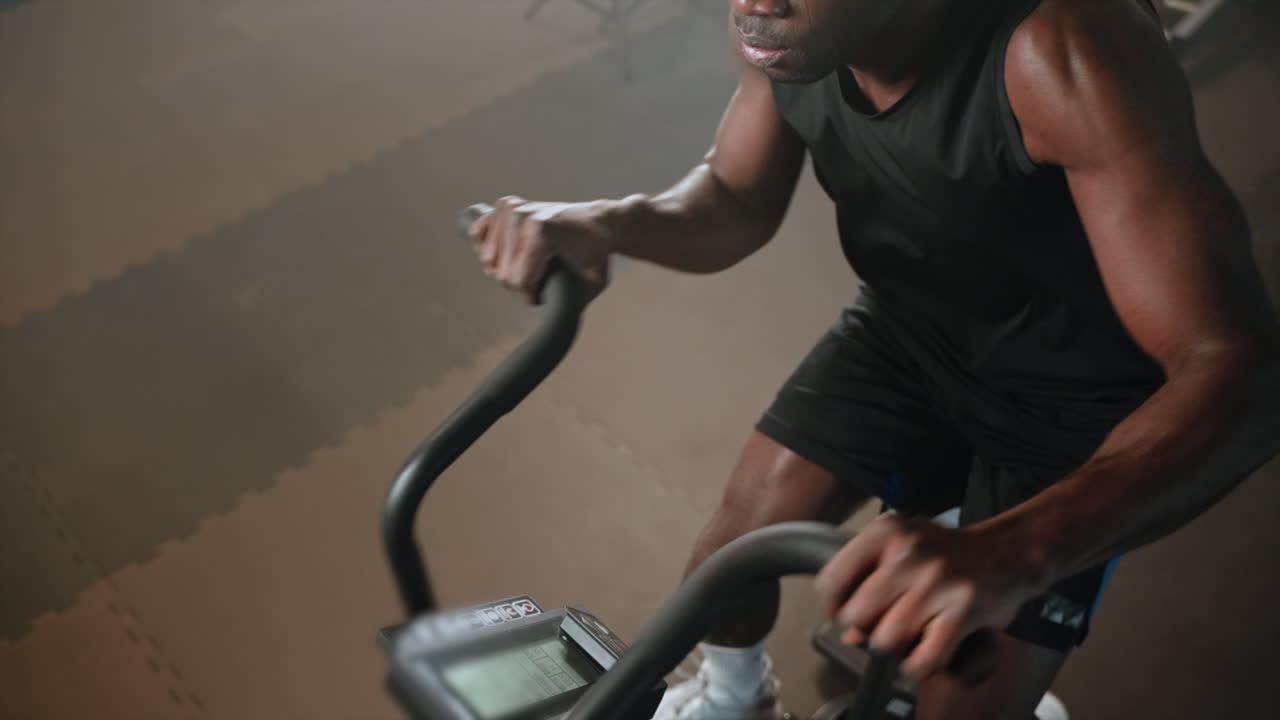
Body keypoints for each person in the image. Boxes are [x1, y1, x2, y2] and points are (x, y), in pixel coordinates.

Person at [466, 1, 1280, 718]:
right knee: (720, 576)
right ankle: (733, 700)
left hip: (1075, 407)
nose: (750, 3)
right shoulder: (785, 27)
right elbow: (735, 196)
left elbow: (1239, 373)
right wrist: (602, 223)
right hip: (910, 331)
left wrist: (1014, 552)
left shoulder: (1064, 48)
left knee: (959, 700)